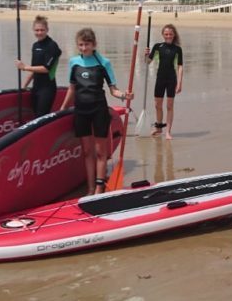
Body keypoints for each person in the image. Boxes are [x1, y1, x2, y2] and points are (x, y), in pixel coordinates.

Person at [61, 28, 130, 195]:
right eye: (81, 45)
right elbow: (72, 88)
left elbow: (113, 89)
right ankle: (90, 187)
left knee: (101, 152)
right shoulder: (74, 62)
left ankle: (99, 187)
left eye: (87, 44)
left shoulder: (103, 63)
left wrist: (124, 95)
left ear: (94, 45)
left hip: (99, 109)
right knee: (87, 152)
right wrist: (62, 109)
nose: (84, 48)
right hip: (81, 111)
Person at [15, 15, 62, 118]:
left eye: (42, 30)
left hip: (47, 88)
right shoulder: (35, 46)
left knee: (41, 117)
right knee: (35, 116)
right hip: (36, 87)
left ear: (47, 30)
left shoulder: (52, 46)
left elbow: (46, 69)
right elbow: (34, 68)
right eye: (37, 30)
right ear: (33, 30)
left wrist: (24, 67)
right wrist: (24, 86)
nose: (39, 32)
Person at [147, 24, 184, 139]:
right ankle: (159, 128)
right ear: (163, 35)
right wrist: (146, 55)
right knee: (157, 105)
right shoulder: (158, 47)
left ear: (174, 35)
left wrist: (179, 83)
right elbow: (148, 62)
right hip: (160, 78)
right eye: (166, 34)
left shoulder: (177, 49)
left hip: (171, 79)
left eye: (170, 34)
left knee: (169, 106)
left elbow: (180, 67)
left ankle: (168, 131)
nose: (168, 36)